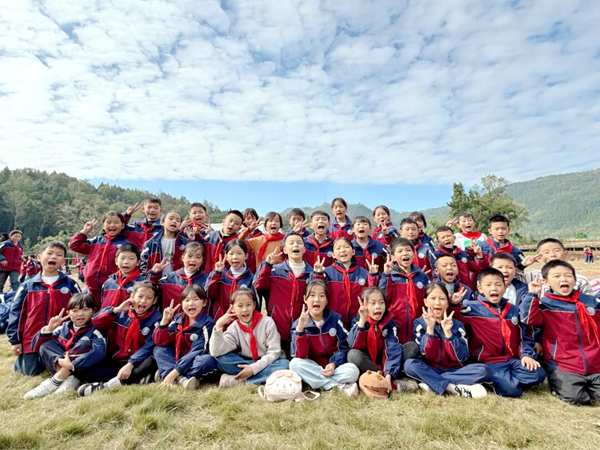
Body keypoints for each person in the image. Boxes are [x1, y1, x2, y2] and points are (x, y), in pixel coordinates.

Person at [521, 261, 600, 405]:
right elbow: (527, 318)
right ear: (546, 281)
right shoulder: (545, 305)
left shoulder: (590, 302)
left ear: (575, 280)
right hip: (563, 365)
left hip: (595, 362)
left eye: (568, 276)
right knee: (576, 398)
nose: (563, 279)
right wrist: (532, 294)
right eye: (557, 276)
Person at [458, 268, 545, 397]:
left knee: (538, 374)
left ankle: (507, 380)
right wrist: (455, 304)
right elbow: (455, 319)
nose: (494, 288)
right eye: (488, 285)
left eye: (498, 284)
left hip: (511, 359)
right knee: (512, 391)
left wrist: (526, 355)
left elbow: (523, 336)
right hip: (489, 361)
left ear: (504, 287)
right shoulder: (470, 308)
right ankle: (498, 382)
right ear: (480, 288)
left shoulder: (513, 309)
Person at [7, 241, 81, 375]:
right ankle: (25, 359)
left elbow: (82, 308)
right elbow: (16, 314)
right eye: (50, 253)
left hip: (61, 338)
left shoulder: (70, 284)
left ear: (63, 261)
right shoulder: (27, 286)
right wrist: (15, 340)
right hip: (33, 337)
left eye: (59, 255)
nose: (54, 257)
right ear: (39, 257)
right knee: (30, 372)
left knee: (67, 369)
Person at [404, 283, 490, 397]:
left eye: (442, 298)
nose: (437, 303)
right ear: (425, 302)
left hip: (454, 370)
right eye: (433, 298)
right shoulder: (419, 323)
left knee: (483, 370)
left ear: (448, 303)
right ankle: (452, 388)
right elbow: (427, 354)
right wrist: (430, 329)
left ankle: (431, 383)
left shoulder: (457, 325)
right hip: (431, 368)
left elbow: (462, 357)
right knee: (409, 365)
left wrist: (448, 333)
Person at [77, 281, 162, 396]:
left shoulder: (157, 319)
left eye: (148, 298)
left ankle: (107, 386)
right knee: (84, 372)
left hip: (138, 362)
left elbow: (149, 346)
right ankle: (136, 379)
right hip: (116, 361)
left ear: (154, 301)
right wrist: (116, 310)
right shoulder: (121, 313)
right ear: (132, 296)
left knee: (152, 360)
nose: (143, 301)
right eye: (140, 296)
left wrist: (130, 364)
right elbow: (95, 322)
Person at [23, 293, 106, 398]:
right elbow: (35, 346)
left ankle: (59, 379)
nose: (80, 314)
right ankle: (64, 376)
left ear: (93, 311)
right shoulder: (63, 328)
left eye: (85, 309)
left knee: (84, 345)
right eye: (75, 311)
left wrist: (72, 365)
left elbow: (98, 353)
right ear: (68, 313)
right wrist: (48, 329)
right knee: (45, 345)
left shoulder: (96, 330)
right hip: (62, 365)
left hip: (81, 369)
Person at [289, 280, 360, 397]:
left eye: (321, 296)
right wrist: (300, 329)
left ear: (326, 301)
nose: (317, 300)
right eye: (312, 295)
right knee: (294, 364)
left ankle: (318, 382)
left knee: (353, 370)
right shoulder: (298, 324)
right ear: (305, 299)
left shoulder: (335, 319)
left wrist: (333, 364)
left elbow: (344, 346)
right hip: (313, 367)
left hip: (333, 368)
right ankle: (337, 386)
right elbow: (299, 355)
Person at [210, 288, 289, 387]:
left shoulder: (267, 322)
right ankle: (257, 377)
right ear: (233, 308)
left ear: (254, 305)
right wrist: (218, 325)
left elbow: (274, 352)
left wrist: (253, 369)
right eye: (240, 306)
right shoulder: (234, 327)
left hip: (267, 362)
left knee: (284, 364)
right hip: (246, 362)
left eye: (248, 305)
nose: (245, 309)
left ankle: (242, 381)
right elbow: (216, 352)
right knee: (221, 360)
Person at [347, 287, 418, 393]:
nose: (378, 307)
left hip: (387, 363)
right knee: (353, 355)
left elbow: (392, 349)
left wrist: (388, 374)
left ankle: (385, 379)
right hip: (369, 364)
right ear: (364, 305)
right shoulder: (358, 320)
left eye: (381, 303)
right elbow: (354, 345)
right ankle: (384, 380)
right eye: (373, 303)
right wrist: (362, 321)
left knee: (412, 347)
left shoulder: (389, 322)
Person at [253, 232, 313, 354]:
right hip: (278, 327)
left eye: (299, 243)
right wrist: (267, 265)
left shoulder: (311, 273)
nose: (295, 245)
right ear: (285, 249)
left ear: (304, 249)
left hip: (302, 328)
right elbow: (258, 285)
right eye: (291, 243)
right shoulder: (275, 271)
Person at [153, 285, 218, 389]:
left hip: (194, 359)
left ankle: (167, 374)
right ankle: (181, 380)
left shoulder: (207, 323)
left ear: (204, 302)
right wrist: (164, 321)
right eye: (186, 300)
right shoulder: (178, 319)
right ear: (182, 304)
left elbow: (197, 351)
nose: (191, 303)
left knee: (207, 360)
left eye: (196, 299)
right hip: (178, 358)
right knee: (159, 350)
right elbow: (159, 341)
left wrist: (173, 373)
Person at [69, 212, 132, 308]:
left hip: (112, 288)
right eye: (108, 222)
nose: (112, 225)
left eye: (116, 222)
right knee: (90, 312)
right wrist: (84, 232)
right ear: (103, 226)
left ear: (123, 225)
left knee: (107, 312)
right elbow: (74, 245)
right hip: (92, 288)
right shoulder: (95, 241)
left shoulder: (125, 245)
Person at [311, 237, 379, 326]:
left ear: (353, 252)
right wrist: (318, 274)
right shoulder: (327, 273)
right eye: (338, 248)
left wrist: (373, 276)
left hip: (358, 319)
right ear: (333, 255)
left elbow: (372, 295)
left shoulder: (364, 273)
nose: (343, 250)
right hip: (333, 320)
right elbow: (317, 291)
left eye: (346, 247)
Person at [378, 238, 430, 344]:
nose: (404, 253)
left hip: (417, 326)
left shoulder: (422, 276)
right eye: (400, 251)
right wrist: (386, 276)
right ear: (393, 257)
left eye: (408, 250)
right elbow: (383, 297)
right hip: (395, 326)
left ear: (414, 254)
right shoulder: (390, 276)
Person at [523, 238, 594, 295]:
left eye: (557, 251)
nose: (552, 255)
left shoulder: (581, 280)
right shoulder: (532, 277)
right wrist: (522, 265)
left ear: (566, 254)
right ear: (539, 258)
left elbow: (591, 303)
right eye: (546, 252)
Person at [206, 239, 254, 321]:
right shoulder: (220, 275)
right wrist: (217, 273)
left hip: (241, 321)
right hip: (221, 319)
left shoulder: (251, 278)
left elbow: (254, 303)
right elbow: (209, 294)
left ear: (246, 256)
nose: (235, 257)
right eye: (231, 254)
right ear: (226, 256)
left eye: (239, 253)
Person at [157, 241, 207, 310]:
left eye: (198, 257)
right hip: (172, 315)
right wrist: (154, 273)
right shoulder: (169, 278)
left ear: (203, 260)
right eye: (189, 256)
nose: (193, 260)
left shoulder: (206, 280)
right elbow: (151, 290)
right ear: (183, 257)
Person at [140, 210, 188, 280]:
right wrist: (152, 274)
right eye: (171, 218)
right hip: (156, 282)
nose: (174, 221)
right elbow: (144, 267)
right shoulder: (151, 243)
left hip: (178, 282)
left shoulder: (186, 243)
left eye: (178, 220)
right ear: (162, 222)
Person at [100, 244, 145, 309]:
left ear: (138, 262)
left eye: (131, 259)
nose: (126, 262)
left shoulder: (142, 283)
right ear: (116, 261)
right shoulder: (108, 283)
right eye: (122, 258)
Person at [203, 210, 245, 274]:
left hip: (225, 276)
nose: (232, 224)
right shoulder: (211, 235)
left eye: (236, 223)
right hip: (207, 274)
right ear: (223, 221)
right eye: (230, 221)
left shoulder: (237, 242)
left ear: (239, 228)